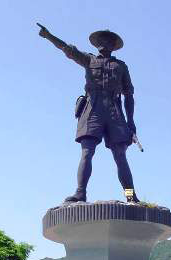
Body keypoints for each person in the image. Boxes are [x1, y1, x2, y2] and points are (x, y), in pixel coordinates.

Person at [38, 25, 139, 203]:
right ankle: (80, 193)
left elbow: (129, 95)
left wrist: (131, 122)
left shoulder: (121, 66)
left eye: (106, 40)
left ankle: (130, 197)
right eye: (100, 40)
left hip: (115, 112)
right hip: (93, 109)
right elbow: (67, 49)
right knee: (87, 151)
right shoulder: (89, 60)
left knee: (120, 156)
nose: (102, 43)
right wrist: (49, 36)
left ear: (112, 45)